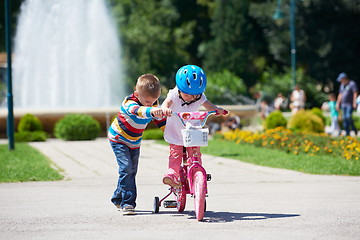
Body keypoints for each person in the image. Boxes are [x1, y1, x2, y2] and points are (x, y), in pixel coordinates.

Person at [108, 74, 166, 215]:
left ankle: (117, 197)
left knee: (130, 171)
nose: (150, 103)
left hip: (134, 142)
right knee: (127, 169)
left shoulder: (152, 104)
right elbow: (139, 111)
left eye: (154, 101)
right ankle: (128, 203)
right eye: (146, 101)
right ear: (137, 94)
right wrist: (151, 110)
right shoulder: (129, 103)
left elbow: (160, 120)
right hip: (119, 138)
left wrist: (169, 133)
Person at [161, 65, 227, 188]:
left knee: (195, 154)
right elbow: (166, 102)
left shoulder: (199, 95)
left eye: (195, 95)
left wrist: (217, 110)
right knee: (176, 154)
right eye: (188, 95)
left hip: (192, 130)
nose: (192, 98)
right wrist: (164, 109)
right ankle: (172, 174)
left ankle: (197, 172)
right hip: (176, 130)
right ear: (180, 89)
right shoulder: (174, 94)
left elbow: (209, 105)